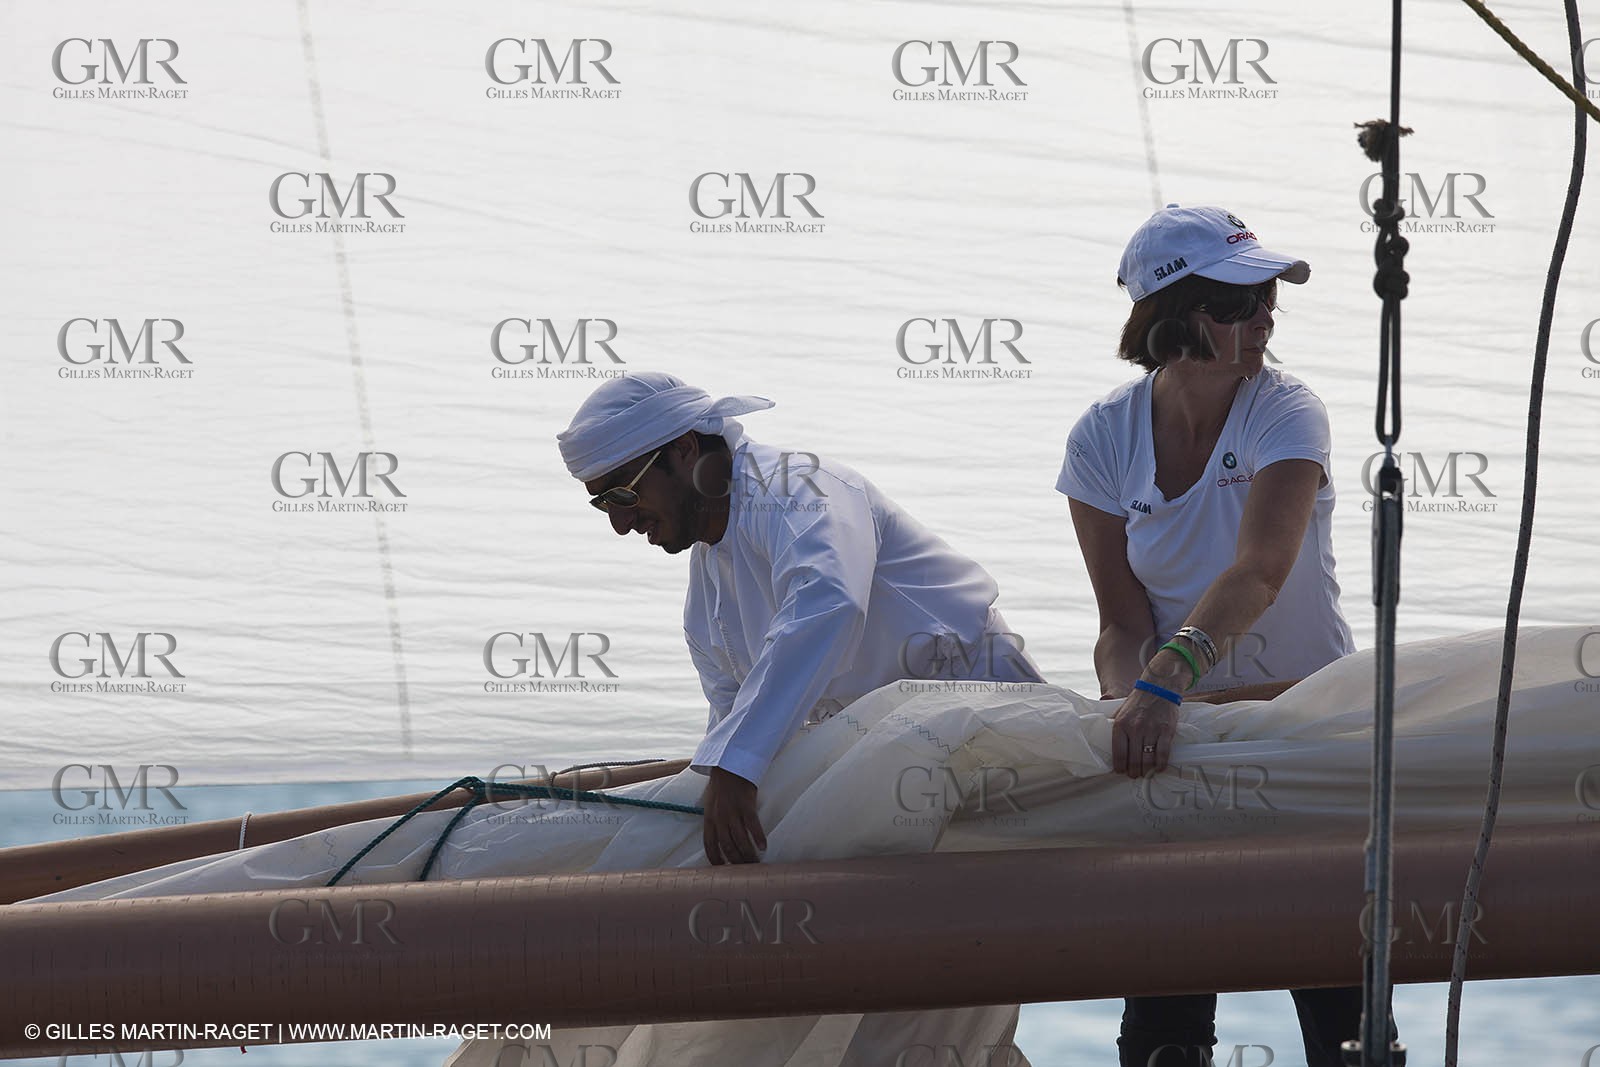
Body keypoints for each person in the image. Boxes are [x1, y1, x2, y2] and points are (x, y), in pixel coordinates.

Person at [1055, 204, 1378, 1067]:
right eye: (1240, 301)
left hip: (1309, 730)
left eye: (1268, 294)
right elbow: (1120, 624)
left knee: (1348, 1038)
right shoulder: (1099, 441)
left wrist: (1166, 681)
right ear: (1174, 321)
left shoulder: (1288, 411)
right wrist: (1131, 705)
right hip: (1183, 749)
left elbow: (1258, 574)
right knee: (1165, 1040)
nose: (1267, 315)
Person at [558, 371, 1042, 866]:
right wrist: (721, 777)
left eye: (623, 495)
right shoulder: (705, 599)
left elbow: (829, 603)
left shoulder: (799, 489)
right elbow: (731, 712)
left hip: (989, 723)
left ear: (682, 449)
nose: (619, 524)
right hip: (883, 762)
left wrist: (738, 765)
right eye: (602, 505)